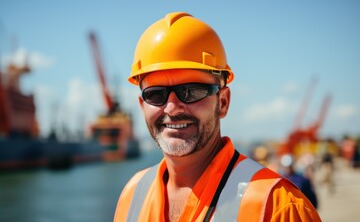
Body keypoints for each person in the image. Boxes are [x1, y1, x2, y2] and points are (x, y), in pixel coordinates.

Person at [114, 12, 321, 222]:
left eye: (191, 91)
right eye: (155, 94)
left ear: (223, 102)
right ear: (142, 106)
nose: (172, 108)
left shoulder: (278, 207)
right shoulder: (132, 195)